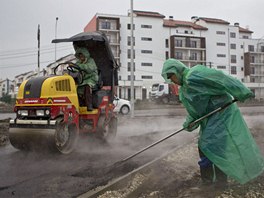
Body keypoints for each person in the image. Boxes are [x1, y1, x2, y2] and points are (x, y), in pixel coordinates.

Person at [162, 58, 264, 187]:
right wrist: (190, 123)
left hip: (221, 113)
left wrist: (240, 90)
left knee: (213, 145)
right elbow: (195, 111)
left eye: (172, 76)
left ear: (178, 70)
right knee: (206, 147)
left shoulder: (195, 74)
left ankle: (219, 183)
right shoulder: (184, 90)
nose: (173, 80)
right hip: (209, 119)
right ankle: (209, 181)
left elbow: (220, 78)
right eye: (170, 78)